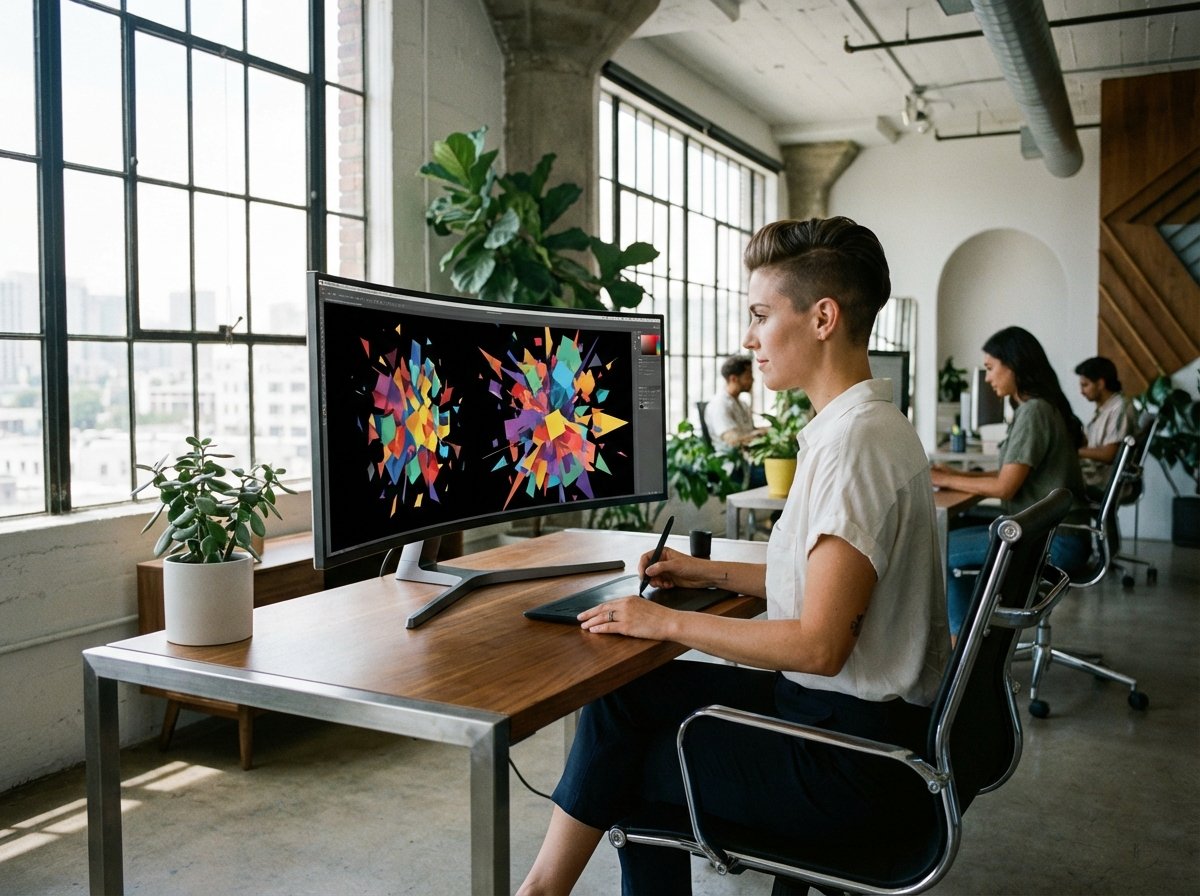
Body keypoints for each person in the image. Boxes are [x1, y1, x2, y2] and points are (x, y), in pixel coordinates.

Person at [517, 217, 949, 896]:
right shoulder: (867, 426)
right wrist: (703, 572)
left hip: (852, 761)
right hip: (859, 725)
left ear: (823, 318)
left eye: (760, 315)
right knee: (626, 698)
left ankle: (541, 889)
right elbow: (820, 581)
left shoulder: (853, 448)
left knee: (627, 768)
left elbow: (818, 645)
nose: (749, 338)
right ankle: (542, 888)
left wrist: (666, 621)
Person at [931, 327, 1091, 641]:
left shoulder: (1034, 412)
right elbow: (1009, 474)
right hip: (1061, 536)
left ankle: (960, 649)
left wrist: (943, 478)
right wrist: (955, 474)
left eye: (991, 368)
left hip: (1053, 543)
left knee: (939, 550)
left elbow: (1005, 488)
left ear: (1014, 365)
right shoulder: (1042, 407)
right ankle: (970, 640)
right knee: (948, 540)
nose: (988, 378)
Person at [704, 354, 769, 487]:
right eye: (748, 376)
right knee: (782, 476)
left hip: (748, 461)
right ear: (733, 378)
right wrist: (762, 434)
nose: (752, 380)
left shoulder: (742, 404)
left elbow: (750, 431)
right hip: (734, 467)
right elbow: (733, 440)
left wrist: (768, 431)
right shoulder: (719, 405)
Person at [1074, 356, 1136, 493]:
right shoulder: (1105, 408)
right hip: (1094, 474)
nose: (1082, 391)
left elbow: (1108, 455)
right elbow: (1091, 444)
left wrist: (1073, 451)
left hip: (1102, 480)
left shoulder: (1119, 408)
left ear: (1100, 384)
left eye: (1085, 385)